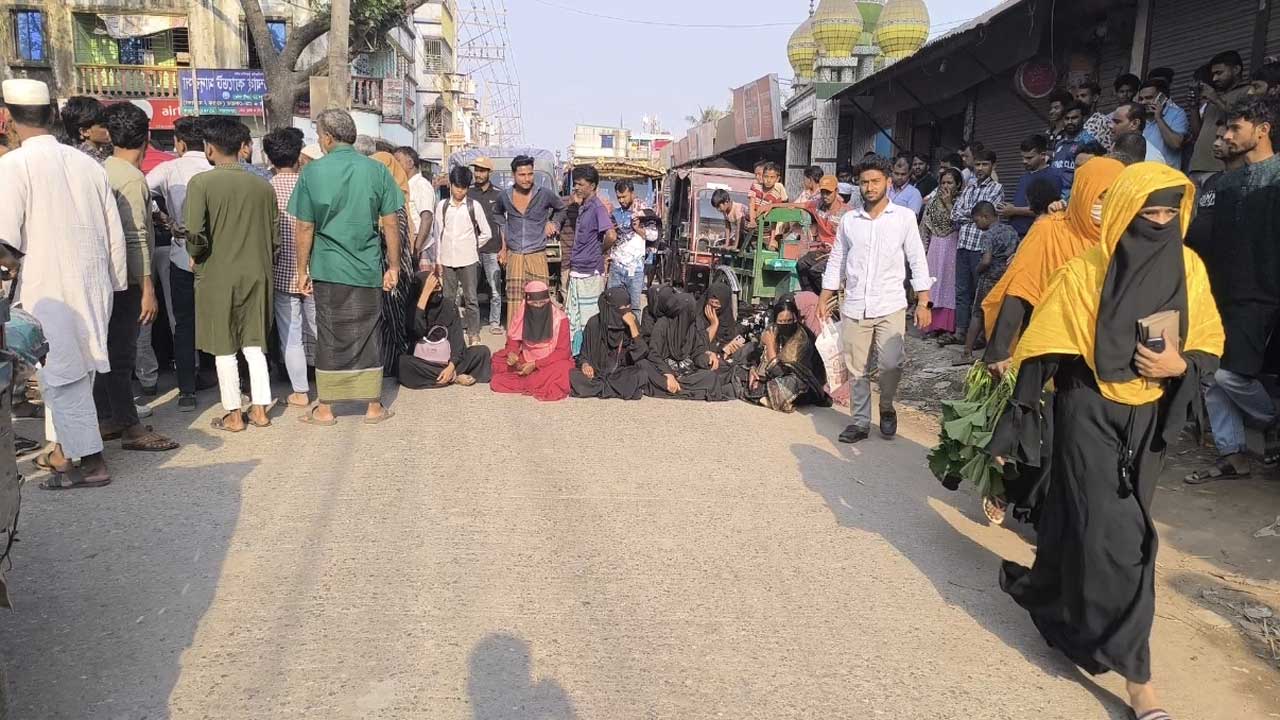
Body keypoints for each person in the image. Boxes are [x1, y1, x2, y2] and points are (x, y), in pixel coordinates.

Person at [990, 163, 1223, 720]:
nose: (1160, 224)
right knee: (1120, 538)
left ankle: (1057, 604)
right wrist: (1017, 417)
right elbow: (1046, 341)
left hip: (1148, 419)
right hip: (1086, 407)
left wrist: (1178, 364)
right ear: (1123, 214)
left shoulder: (1189, 269)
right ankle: (1139, 679)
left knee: (1097, 527)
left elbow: (1209, 347)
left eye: (1170, 214)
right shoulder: (1086, 272)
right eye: (1149, 215)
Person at [0, 79, 127, 488]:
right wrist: (117, 283)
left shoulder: (12, 166)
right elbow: (114, 233)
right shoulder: (88, 164)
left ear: (9, 120)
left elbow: (4, 242)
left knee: (62, 376)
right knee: (76, 374)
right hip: (93, 283)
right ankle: (64, 455)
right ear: (53, 115)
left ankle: (90, 463)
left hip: (48, 285)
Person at [1186, 97, 1280, 483]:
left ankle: (1272, 423)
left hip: (1262, 295)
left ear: (1262, 129)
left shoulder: (1277, 177)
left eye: (1234, 129)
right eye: (1224, 129)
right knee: (1210, 374)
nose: (1225, 136)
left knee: (1231, 376)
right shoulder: (1223, 182)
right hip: (1220, 293)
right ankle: (1233, 453)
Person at [289, 108, 402, 426]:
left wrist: (301, 271)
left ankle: (326, 409)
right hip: (367, 267)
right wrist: (393, 267)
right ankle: (373, 407)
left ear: (326, 137)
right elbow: (391, 223)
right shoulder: (376, 170)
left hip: (328, 269)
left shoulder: (312, 173)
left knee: (329, 334)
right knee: (368, 333)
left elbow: (305, 228)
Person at [819, 155, 932, 443]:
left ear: (888, 183)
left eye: (875, 181)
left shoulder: (904, 218)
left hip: (891, 303)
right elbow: (837, 259)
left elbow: (917, 260)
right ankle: (859, 421)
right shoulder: (849, 221)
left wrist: (923, 301)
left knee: (892, 364)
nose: (870, 187)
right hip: (855, 303)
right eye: (864, 182)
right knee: (857, 368)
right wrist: (826, 294)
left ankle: (886, 405)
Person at [982, 158, 1126, 371]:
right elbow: (1021, 288)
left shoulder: (1128, 238)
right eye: (1101, 195)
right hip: (1053, 352)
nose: (1105, 204)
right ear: (1083, 192)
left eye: (1114, 196)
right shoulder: (1050, 230)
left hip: (1108, 356)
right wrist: (999, 352)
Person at [183, 117, 278, 433]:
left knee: (224, 345)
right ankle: (261, 408)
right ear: (242, 147)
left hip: (218, 275)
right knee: (254, 342)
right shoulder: (264, 186)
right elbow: (275, 237)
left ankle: (234, 414)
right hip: (258, 272)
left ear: (209, 148)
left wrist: (196, 256)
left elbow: (195, 233)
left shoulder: (201, 184)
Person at [97, 102, 177, 452]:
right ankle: (129, 425)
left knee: (110, 353)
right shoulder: (130, 178)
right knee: (122, 353)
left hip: (107, 277)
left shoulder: (103, 170)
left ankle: (110, 417)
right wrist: (147, 288)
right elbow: (135, 237)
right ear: (146, 137)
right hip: (126, 280)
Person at [147, 115, 213, 411]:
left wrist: (164, 219)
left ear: (180, 142)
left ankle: (187, 389)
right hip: (216, 255)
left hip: (181, 253)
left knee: (184, 324)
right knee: (220, 318)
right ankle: (229, 382)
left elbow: (140, 191)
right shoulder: (215, 166)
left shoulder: (168, 168)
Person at [263, 127, 315, 409]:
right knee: (320, 328)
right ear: (298, 155)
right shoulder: (310, 185)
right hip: (313, 270)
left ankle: (300, 391)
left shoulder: (266, 189)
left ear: (269, 158)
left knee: (291, 334)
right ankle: (333, 383)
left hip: (281, 272)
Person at [495, 155, 566, 325]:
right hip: (515, 256)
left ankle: (540, 339)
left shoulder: (544, 194)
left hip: (537, 255)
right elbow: (497, 213)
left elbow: (561, 208)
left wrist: (553, 223)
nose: (527, 179)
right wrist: (504, 238)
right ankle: (514, 343)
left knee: (539, 299)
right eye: (522, 175)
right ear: (514, 175)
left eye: (530, 174)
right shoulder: (504, 196)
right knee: (514, 302)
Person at [431, 166, 492, 347]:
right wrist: (438, 260)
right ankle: (449, 333)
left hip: (469, 260)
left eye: (464, 187)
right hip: (448, 260)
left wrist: (472, 245)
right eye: (457, 187)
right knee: (449, 300)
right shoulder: (442, 207)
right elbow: (438, 234)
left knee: (471, 298)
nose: (460, 191)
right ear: (450, 185)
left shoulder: (474, 206)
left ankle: (473, 333)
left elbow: (486, 233)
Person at [398, 271, 492, 389]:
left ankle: (445, 375)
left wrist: (451, 366)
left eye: (438, 287)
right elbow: (417, 331)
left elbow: (457, 341)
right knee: (402, 363)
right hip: (423, 361)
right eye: (432, 289)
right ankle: (454, 377)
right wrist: (424, 296)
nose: (437, 292)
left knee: (482, 352)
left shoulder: (448, 306)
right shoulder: (415, 306)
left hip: (447, 361)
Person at [739, 293, 829, 413]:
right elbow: (758, 354)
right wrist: (753, 369)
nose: (785, 325)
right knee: (741, 370)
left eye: (789, 320)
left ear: (796, 318)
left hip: (804, 385)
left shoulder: (802, 339)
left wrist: (771, 347)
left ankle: (766, 395)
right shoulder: (772, 330)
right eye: (781, 321)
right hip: (773, 375)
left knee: (792, 383)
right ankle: (764, 394)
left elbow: (782, 374)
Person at [951, 148, 1004, 343]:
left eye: (985, 164)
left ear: (993, 166)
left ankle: (981, 335)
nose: (980, 168)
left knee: (980, 292)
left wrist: (972, 214)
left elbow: (987, 215)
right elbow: (955, 214)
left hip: (981, 247)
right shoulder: (969, 186)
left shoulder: (997, 188)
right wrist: (974, 215)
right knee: (962, 290)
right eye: (978, 164)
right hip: (963, 244)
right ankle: (960, 331)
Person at [643, 290, 733, 401]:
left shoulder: (691, 326)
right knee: (643, 366)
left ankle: (678, 388)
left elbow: (696, 351)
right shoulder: (663, 324)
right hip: (664, 369)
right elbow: (653, 353)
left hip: (685, 370)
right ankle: (682, 388)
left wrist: (706, 357)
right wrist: (668, 373)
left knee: (711, 377)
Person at [491, 281, 574, 401]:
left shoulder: (560, 319)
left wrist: (535, 364)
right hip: (524, 361)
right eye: (534, 304)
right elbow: (513, 343)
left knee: (564, 368)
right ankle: (534, 381)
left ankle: (527, 381)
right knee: (497, 362)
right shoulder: (522, 314)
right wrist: (512, 354)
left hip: (548, 363)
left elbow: (563, 352)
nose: (539, 306)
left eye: (542, 303)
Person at [959, 202, 1020, 363]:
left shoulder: (988, 235)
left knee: (978, 313)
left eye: (977, 221)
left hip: (989, 278)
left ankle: (967, 353)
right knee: (1002, 314)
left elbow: (986, 261)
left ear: (985, 217)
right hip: (1007, 278)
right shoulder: (1011, 231)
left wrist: (977, 270)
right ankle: (1002, 352)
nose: (977, 225)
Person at [565, 165, 615, 356]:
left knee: (589, 319)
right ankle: (578, 354)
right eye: (575, 183)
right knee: (575, 318)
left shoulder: (597, 207)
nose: (576, 187)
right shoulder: (584, 206)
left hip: (590, 273)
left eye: (580, 184)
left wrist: (599, 253)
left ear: (592, 185)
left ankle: (590, 355)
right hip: (579, 269)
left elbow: (611, 235)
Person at [570, 286, 648, 400]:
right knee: (573, 376)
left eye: (628, 307)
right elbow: (584, 354)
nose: (626, 312)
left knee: (641, 374)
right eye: (622, 308)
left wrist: (632, 326)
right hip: (596, 373)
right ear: (610, 308)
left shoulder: (631, 320)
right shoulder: (594, 323)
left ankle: (601, 388)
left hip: (620, 371)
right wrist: (585, 365)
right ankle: (615, 389)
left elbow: (642, 351)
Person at [1185, 122, 1246, 253]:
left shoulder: (1247, 180)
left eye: (1223, 139)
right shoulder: (1213, 180)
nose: (1216, 143)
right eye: (1216, 138)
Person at [1188, 51, 1251, 179]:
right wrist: (1194, 106)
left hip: (1220, 168)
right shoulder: (1214, 98)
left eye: (1219, 73)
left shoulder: (1247, 91)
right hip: (1197, 166)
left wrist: (1215, 99)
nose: (1214, 79)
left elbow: (1242, 119)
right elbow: (1197, 133)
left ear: (1236, 69)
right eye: (1213, 74)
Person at [919, 167, 963, 337]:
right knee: (934, 285)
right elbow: (925, 228)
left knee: (949, 285)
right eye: (943, 182)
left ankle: (947, 326)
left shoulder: (961, 202)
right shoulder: (932, 203)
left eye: (950, 183)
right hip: (936, 247)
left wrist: (949, 204)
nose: (946, 186)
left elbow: (959, 222)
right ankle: (930, 324)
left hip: (953, 244)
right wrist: (923, 251)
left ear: (958, 185)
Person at [468, 157, 506, 334]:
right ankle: (471, 323)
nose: (478, 173)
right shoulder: (468, 193)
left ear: (489, 173)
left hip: (493, 249)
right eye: (476, 169)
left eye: (482, 170)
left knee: (495, 289)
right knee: (469, 289)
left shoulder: (499, 195)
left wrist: (504, 249)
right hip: (471, 250)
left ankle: (494, 322)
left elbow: (503, 225)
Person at [1000, 134, 1063, 238]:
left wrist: (1014, 210)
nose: (1024, 161)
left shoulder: (1052, 177)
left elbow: (1047, 210)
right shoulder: (1025, 176)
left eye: (1029, 158)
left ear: (1042, 155)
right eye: (1023, 157)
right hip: (1015, 234)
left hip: (1036, 234)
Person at [796, 176, 850, 293]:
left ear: (836, 191)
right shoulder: (817, 205)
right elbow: (796, 205)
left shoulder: (847, 212)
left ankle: (830, 299)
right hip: (822, 251)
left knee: (816, 271)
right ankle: (810, 296)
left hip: (838, 254)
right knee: (802, 264)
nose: (825, 196)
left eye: (829, 193)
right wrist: (770, 206)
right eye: (823, 192)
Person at [607, 179, 648, 315]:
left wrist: (638, 229)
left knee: (634, 307)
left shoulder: (645, 212)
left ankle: (634, 335)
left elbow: (653, 236)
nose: (621, 200)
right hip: (616, 268)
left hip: (635, 270)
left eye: (624, 196)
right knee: (612, 303)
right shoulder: (615, 214)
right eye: (618, 197)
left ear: (632, 193)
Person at [1135, 78, 1190, 168]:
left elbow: (1175, 143)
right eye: (1141, 99)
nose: (1143, 102)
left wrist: (1158, 118)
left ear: (1162, 98)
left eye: (1149, 98)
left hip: (1166, 177)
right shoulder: (1137, 118)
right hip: (1141, 175)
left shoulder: (1177, 114)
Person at [394, 146, 435, 262]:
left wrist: (416, 249)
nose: (395, 167)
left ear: (410, 163)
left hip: (421, 248)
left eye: (398, 161)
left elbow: (427, 218)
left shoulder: (421, 185)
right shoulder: (405, 186)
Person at [1052, 103, 1095, 197]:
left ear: (1084, 118)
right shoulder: (1059, 144)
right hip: (1054, 199)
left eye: (1074, 118)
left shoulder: (1088, 142)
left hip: (1073, 199)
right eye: (1067, 118)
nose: (1070, 122)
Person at [698, 282, 747, 363]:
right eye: (711, 303)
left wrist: (728, 350)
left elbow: (729, 341)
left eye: (717, 303)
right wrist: (714, 325)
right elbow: (700, 346)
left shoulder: (728, 321)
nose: (713, 307)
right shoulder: (697, 319)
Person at [62, 96, 111, 162]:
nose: (109, 127)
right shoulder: (89, 161)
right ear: (85, 132)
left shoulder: (71, 156)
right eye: (103, 125)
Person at [1073, 80, 1114, 151]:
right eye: (1077, 96)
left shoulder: (1103, 122)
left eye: (1083, 96)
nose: (1079, 99)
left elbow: (1108, 150)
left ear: (1095, 97)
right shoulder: (1072, 121)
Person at [748, 161, 787, 229]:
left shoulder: (777, 192)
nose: (768, 180)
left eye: (772, 177)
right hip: (751, 220)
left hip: (766, 225)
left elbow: (779, 208)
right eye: (766, 176)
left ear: (777, 179)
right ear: (763, 176)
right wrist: (752, 220)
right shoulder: (755, 186)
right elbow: (751, 204)